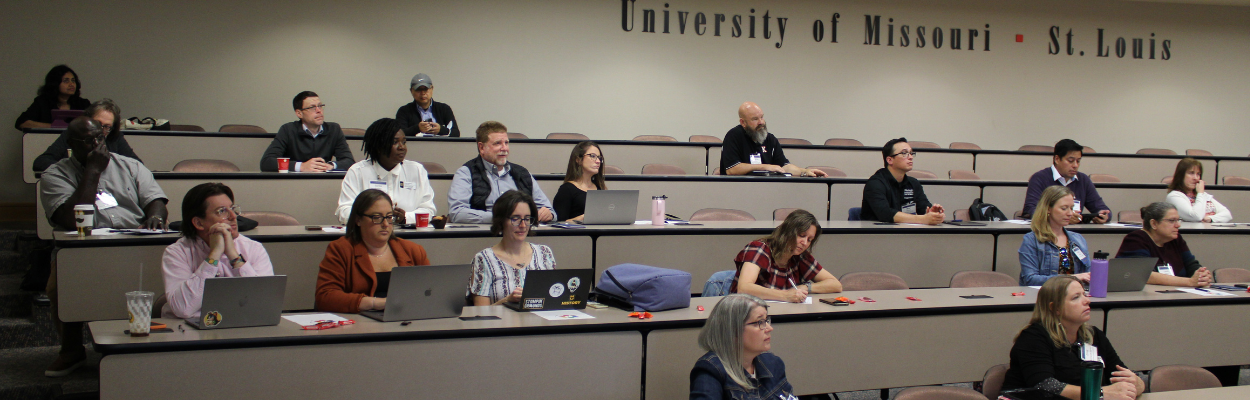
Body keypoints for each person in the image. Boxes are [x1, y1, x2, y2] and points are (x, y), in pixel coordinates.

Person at [39, 117, 169, 377]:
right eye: (88, 140)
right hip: (81, 248)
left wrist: (155, 215)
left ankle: (147, 343)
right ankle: (72, 350)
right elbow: (70, 219)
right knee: (59, 286)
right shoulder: (54, 174)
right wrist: (93, 171)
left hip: (132, 242)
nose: (98, 144)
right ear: (71, 143)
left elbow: (155, 199)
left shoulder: (130, 166)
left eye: (100, 137)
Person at [1001, 275, 1145, 400]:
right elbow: (1045, 386)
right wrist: (1101, 393)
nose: (1087, 301)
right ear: (1055, 308)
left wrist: (1138, 383)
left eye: (1084, 294)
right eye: (1076, 297)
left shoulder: (1093, 335)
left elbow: (1121, 374)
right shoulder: (1033, 338)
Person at [161, 183, 274, 318]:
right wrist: (214, 255)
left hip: (240, 325)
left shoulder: (253, 248)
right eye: (222, 211)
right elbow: (183, 309)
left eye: (232, 209)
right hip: (186, 327)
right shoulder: (177, 252)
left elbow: (263, 303)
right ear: (199, 223)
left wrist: (233, 256)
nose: (233, 216)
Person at [315, 189, 431, 313]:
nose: (385, 224)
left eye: (389, 217)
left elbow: (431, 292)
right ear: (358, 220)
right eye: (377, 217)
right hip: (360, 321)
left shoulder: (413, 250)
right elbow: (325, 297)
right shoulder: (341, 249)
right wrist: (375, 303)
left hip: (405, 318)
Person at [689, 294, 797, 399]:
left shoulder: (773, 363)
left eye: (766, 320)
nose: (769, 328)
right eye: (760, 322)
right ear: (733, 330)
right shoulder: (711, 370)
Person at [448, 121, 556, 223]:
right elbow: (457, 213)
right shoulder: (466, 173)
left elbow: (550, 211)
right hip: (485, 232)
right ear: (481, 147)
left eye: (506, 143)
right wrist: (503, 218)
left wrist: (548, 214)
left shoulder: (522, 173)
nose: (504, 148)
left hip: (522, 231)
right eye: (497, 143)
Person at [336, 118, 436, 225]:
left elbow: (429, 210)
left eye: (404, 142)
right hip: (370, 232)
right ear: (379, 146)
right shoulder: (358, 171)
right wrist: (375, 217)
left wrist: (406, 218)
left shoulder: (417, 170)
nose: (402, 147)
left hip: (407, 233)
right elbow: (344, 212)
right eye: (395, 142)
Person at [731, 209, 841, 303]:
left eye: (809, 240)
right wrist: (785, 295)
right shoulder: (759, 249)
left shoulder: (800, 256)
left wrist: (806, 287)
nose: (804, 243)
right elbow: (744, 288)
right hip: (745, 312)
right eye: (801, 235)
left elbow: (836, 285)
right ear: (788, 231)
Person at [467, 191, 557, 305]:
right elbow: (480, 312)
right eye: (515, 219)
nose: (523, 225)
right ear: (501, 221)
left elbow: (554, 299)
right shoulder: (484, 259)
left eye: (527, 219)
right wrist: (507, 301)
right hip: (500, 317)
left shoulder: (544, 253)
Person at [1115, 202, 1213, 288]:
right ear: (1154, 224)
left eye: (1178, 220)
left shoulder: (1176, 239)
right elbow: (1143, 274)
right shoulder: (1136, 239)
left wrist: (1201, 276)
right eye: (1172, 221)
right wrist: (1189, 282)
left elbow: (1191, 265)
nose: (1178, 225)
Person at [719, 102, 827, 177]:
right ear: (743, 122)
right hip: (737, 189)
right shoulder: (733, 136)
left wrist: (805, 171)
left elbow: (784, 166)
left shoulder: (769, 138)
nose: (761, 122)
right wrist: (765, 167)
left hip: (766, 190)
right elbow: (732, 170)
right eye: (755, 119)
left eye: (762, 117)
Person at [33, 98, 141, 172]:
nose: (101, 130)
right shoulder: (72, 135)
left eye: (107, 126)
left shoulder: (115, 138)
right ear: (87, 120)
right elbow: (41, 162)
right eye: (97, 123)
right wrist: (74, 169)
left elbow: (138, 165)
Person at [260, 91, 355, 172]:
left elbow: (349, 161)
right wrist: (301, 166)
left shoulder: (333, 129)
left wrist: (330, 166)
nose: (319, 111)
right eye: (312, 107)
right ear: (299, 113)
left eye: (320, 106)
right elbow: (267, 162)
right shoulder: (288, 130)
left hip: (322, 180)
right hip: (294, 183)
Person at [860, 137, 946, 224]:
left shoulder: (913, 183)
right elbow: (885, 213)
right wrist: (922, 219)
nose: (911, 157)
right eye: (904, 153)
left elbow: (923, 206)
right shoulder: (875, 183)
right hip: (877, 231)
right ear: (890, 160)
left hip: (905, 230)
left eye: (911, 153)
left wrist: (932, 213)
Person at [1022, 139, 1110, 223]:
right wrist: (1060, 218)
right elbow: (1030, 210)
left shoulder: (1083, 180)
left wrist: (1103, 215)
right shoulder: (1039, 178)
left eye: (1078, 161)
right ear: (1057, 159)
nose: (1075, 165)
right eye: (1070, 161)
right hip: (1048, 230)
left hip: (1076, 231)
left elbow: (1103, 209)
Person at [1019, 186, 1092, 286]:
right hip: (1044, 294)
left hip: (1074, 293)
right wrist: (1073, 277)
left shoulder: (1078, 239)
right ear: (1048, 209)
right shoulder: (1031, 240)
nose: (1070, 213)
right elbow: (1030, 279)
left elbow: (1087, 273)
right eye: (1064, 208)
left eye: (1071, 208)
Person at [15, 65, 90, 130]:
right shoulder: (42, 102)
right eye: (66, 81)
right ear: (55, 83)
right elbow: (22, 123)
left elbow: (94, 124)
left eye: (73, 81)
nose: (71, 84)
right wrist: (54, 127)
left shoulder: (83, 104)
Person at [1164, 158, 1231, 223]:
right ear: (1181, 176)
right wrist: (1200, 193)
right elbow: (1196, 216)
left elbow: (1227, 214)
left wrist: (1210, 218)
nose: (1196, 178)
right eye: (1191, 173)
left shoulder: (1203, 195)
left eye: (1198, 174)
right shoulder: (1174, 196)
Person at [553, 141, 606, 221]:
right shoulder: (566, 190)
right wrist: (582, 218)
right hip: (578, 229)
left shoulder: (600, 188)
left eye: (599, 158)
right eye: (593, 156)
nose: (598, 161)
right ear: (578, 160)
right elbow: (558, 223)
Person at [395, 73, 460, 137]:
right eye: (418, 89)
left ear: (432, 89)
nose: (423, 93)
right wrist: (417, 128)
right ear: (411, 91)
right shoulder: (404, 111)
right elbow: (398, 134)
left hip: (439, 144)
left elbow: (456, 133)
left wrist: (441, 130)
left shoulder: (444, 109)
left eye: (426, 89)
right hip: (415, 144)